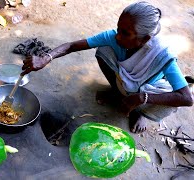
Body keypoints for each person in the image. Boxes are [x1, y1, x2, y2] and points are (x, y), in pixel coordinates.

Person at [21, 1, 193, 133]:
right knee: (103, 50)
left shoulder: (162, 54)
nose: (117, 36)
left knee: (166, 99)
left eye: (125, 33)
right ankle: (118, 93)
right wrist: (46, 58)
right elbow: (72, 46)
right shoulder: (114, 37)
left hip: (149, 89)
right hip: (128, 82)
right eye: (118, 29)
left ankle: (140, 113)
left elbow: (186, 98)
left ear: (145, 39)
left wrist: (141, 98)